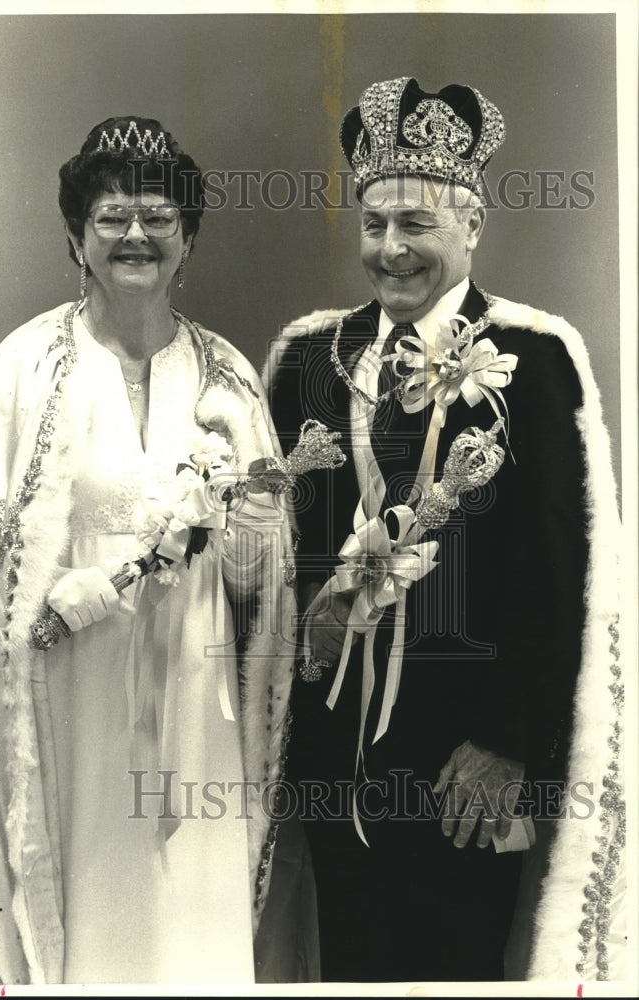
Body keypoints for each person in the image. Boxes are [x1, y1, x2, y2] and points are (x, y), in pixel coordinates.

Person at [264, 78, 624, 982]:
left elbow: (562, 571)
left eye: (416, 226)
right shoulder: (309, 357)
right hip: (331, 760)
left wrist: (511, 743)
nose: (391, 250)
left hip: (465, 769)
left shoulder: (533, 358)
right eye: (376, 224)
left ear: (472, 226)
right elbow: (285, 550)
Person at [0, 115, 298, 985]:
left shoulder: (227, 375)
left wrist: (249, 528)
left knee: (188, 903)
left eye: (159, 215)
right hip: (68, 694)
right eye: (113, 215)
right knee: (89, 907)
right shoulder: (22, 371)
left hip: (196, 701)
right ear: (76, 235)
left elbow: (262, 584)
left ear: (187, 238)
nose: (136, 235)